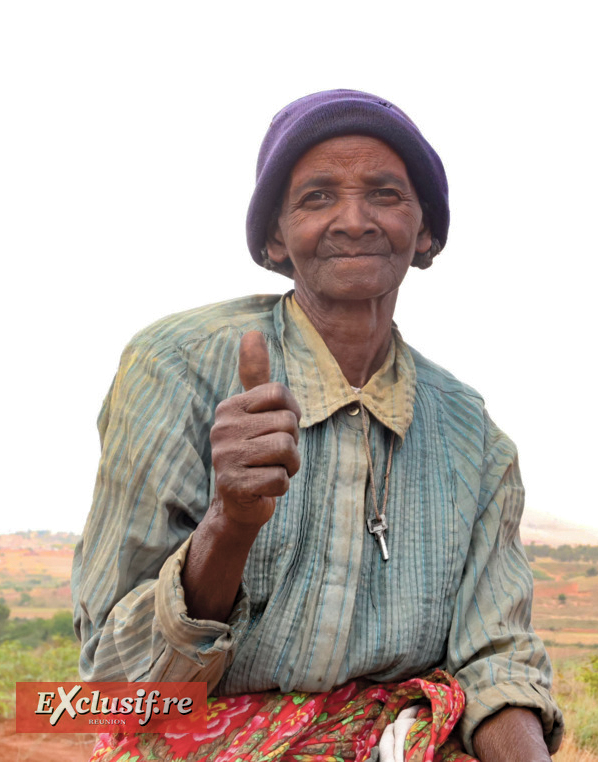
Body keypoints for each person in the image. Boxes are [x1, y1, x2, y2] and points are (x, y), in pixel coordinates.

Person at [72, 89, 562, 761]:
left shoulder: (473, 439)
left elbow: (495, 663)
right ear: (275, 237)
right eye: (317, 197)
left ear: (425, 233)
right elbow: (111, 682)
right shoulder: (174, 368)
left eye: (386, 195)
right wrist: (231, 524)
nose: (355, 220)